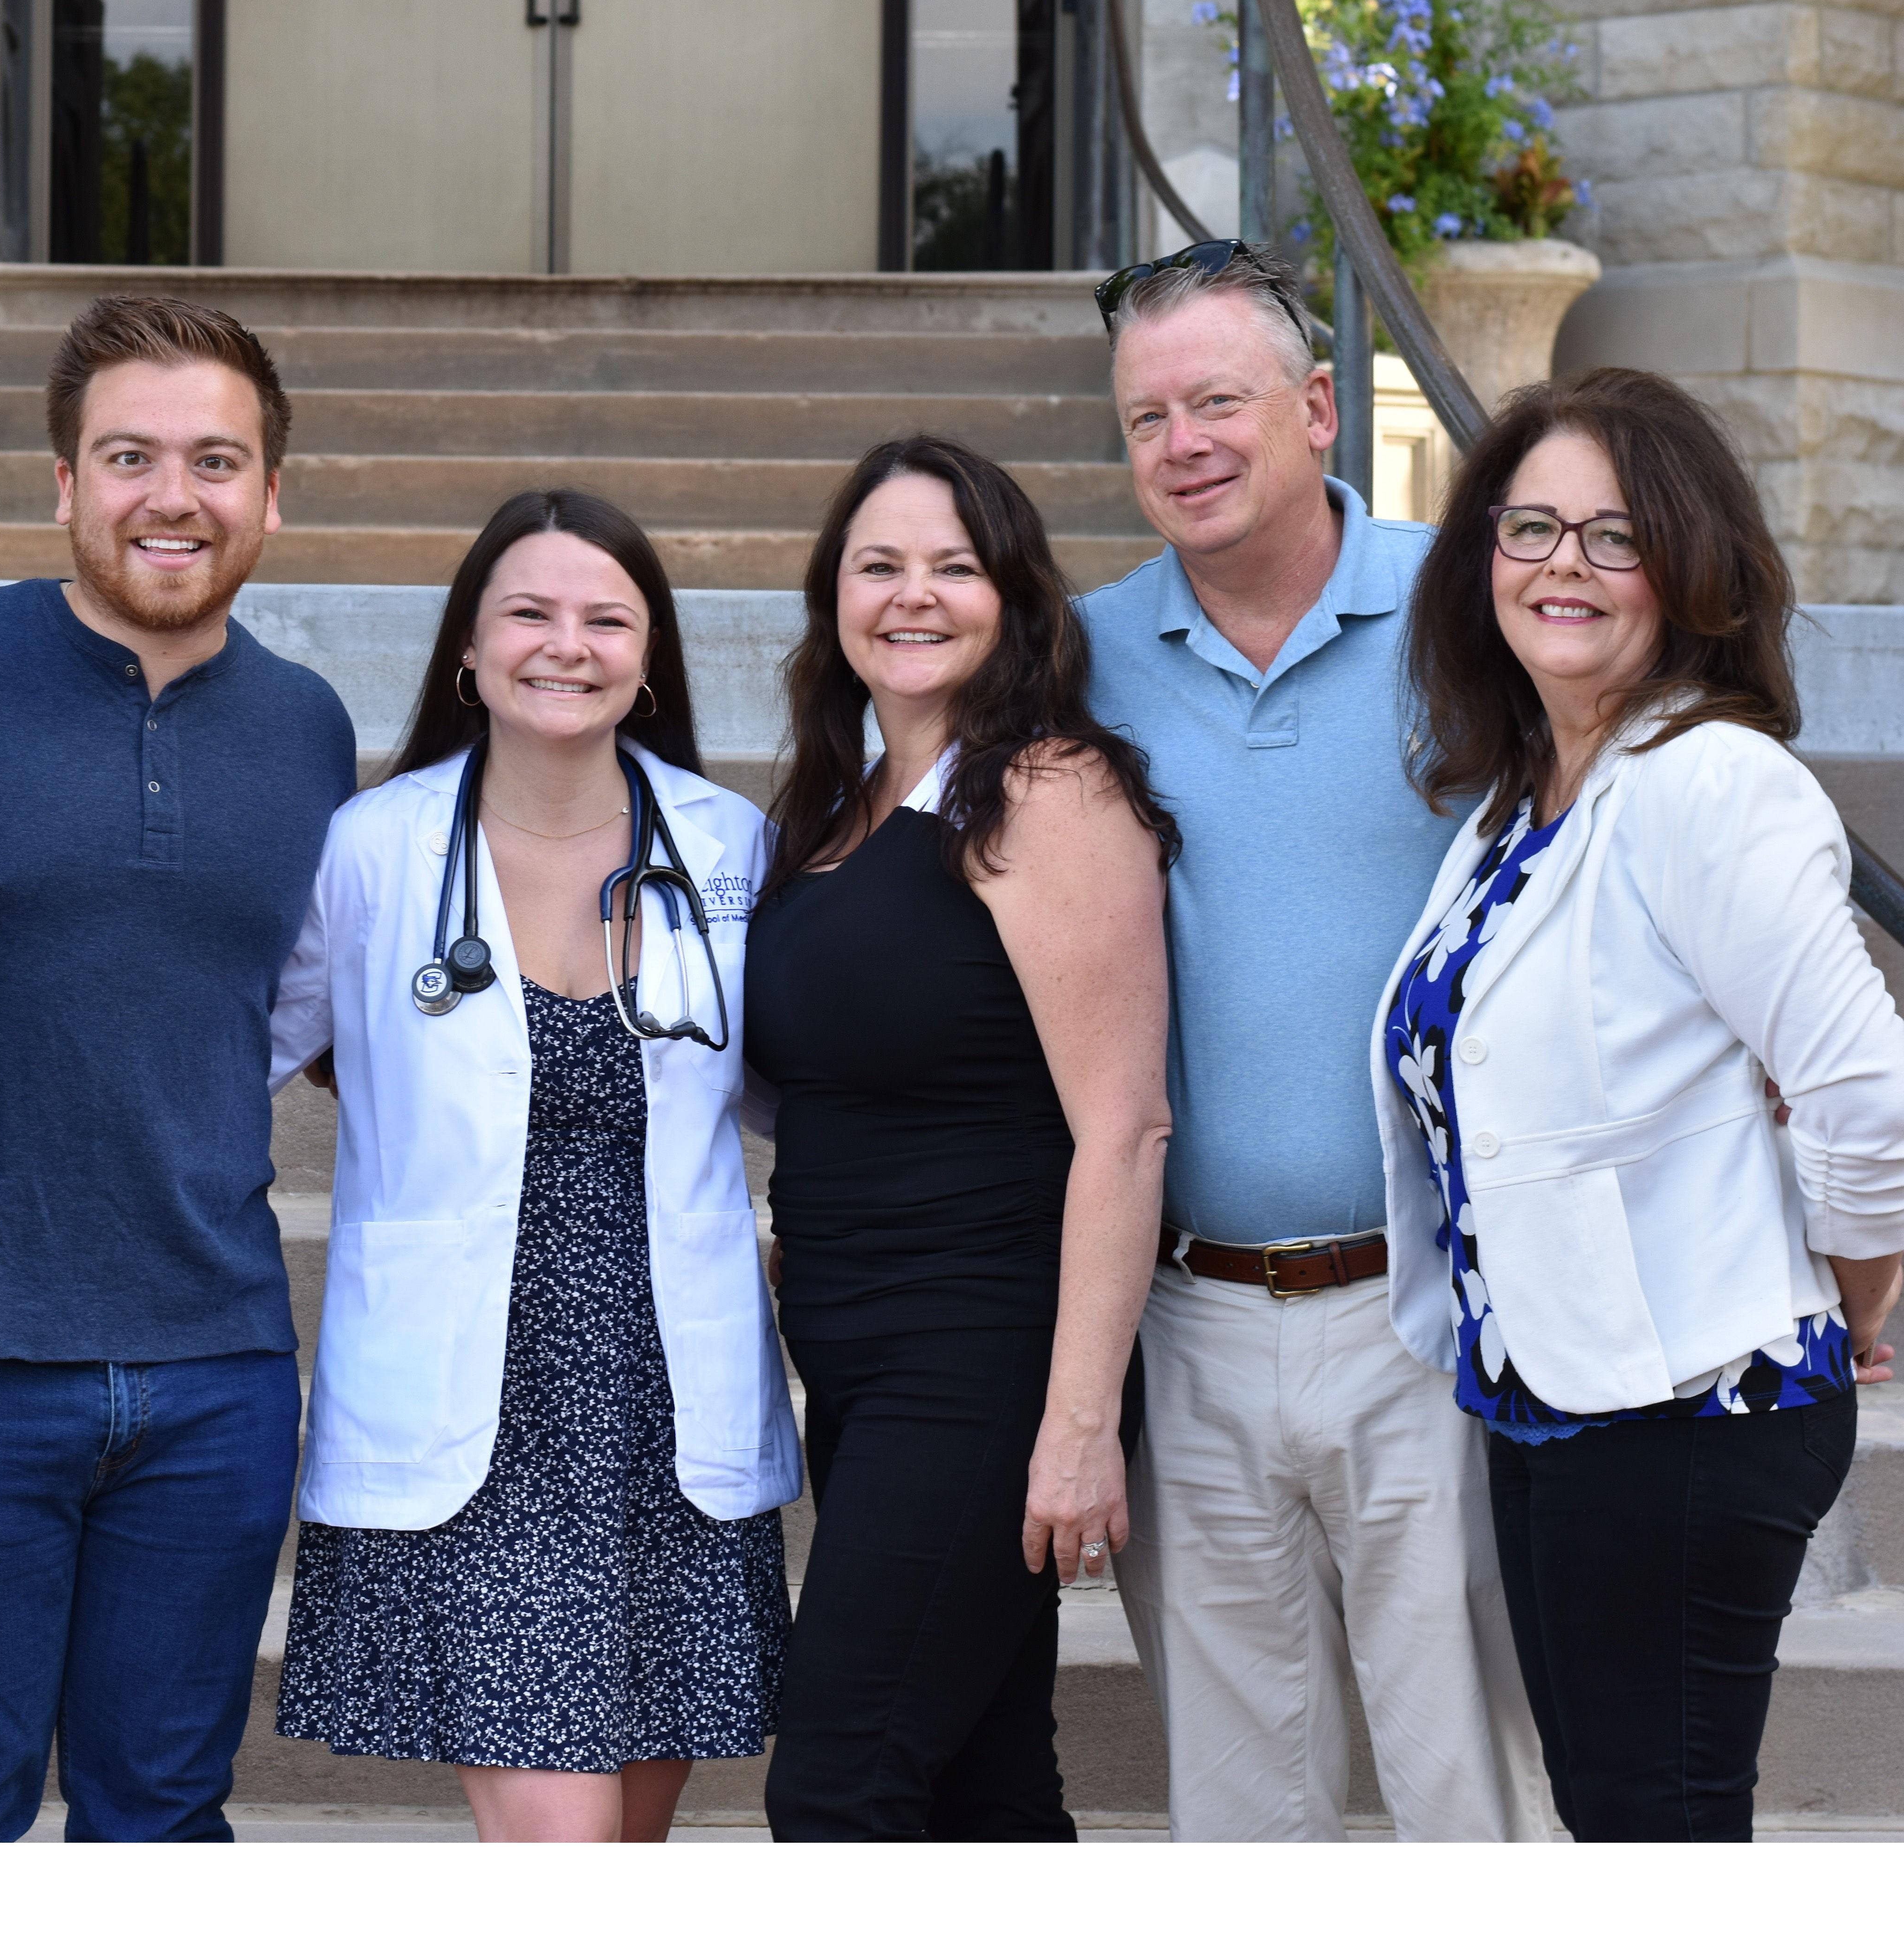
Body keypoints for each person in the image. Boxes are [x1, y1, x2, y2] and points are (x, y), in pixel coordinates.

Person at [0, 291, 356, 1842]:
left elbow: (304, 1009)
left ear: (274, 494)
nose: (172, 496)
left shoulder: (308, 729)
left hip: (217, 1368)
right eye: (128, 455)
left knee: (164, 1817)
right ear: (65, 484)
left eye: (217, 459)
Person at [1374, 370, 1904, 1841]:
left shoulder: (1711, 784)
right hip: (1555, 1395)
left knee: (1656, 1830)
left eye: (1616, 536)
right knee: (1618, 1819)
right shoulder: (1517, 803)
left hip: (1685, 1409)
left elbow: (1871, 1096)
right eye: (1531, 525)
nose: (1563, 564)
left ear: (1690, 568)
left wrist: (1856, 1292)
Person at [1076, 238, 1550, 1842]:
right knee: (1240, 1812)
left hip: (1430, 1310)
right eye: (1147, 419)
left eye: (1218, 399)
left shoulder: (1475, 607)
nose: (1184, 444)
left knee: (1468, 1790)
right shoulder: (1077, 658)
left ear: (1322, 406)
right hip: (1188, 1315)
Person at [270, 490, 796, 1841]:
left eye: (606, 619)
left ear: (651, 658)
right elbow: (236, 1064)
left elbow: (808, 1089)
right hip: (480, 1414)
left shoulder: (728, 849)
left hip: (666, 1409)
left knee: (630, 1835)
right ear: (467, 649)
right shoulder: (373, 850)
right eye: (529, 613)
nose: (566, 645)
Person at [744, 439, 1173, 1842]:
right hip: (859, 1368)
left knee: (840, 1781)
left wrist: (1076, 1426)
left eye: (954, 567)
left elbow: (1125, 1123)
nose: (912, 596)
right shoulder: (836, 810)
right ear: (835, 596)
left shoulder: (1046, 793)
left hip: (982, 1363)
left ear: (1014, 599)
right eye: (879, 565)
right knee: (985, 1781)